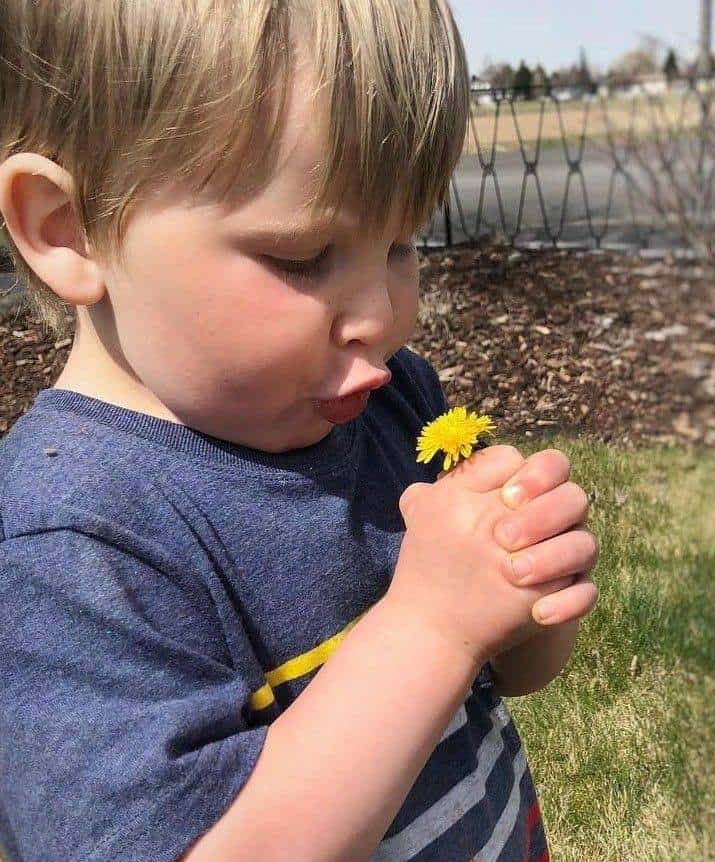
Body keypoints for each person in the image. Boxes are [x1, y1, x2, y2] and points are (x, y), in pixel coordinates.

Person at [0, 2, 599, 860]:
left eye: (400, 243)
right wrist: (431, 626)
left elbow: (515, 674)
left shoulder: (392, 405)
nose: (383, 315)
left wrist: (524, 579)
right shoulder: (68, 544)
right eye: (304, 256)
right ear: (69, 228)